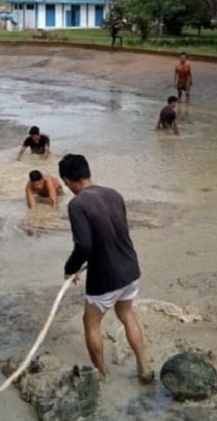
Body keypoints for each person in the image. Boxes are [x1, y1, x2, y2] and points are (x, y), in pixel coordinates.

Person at [58, 154, 154, 382]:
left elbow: (83, 245)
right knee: (127, 314)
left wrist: (70, 269)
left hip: (106, 275)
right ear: (87, 172)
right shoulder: (114, 194)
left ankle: (102, 376)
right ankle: (143, 367)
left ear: (68, 180)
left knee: (90, 323)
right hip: (130, 269)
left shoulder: (77, 204)